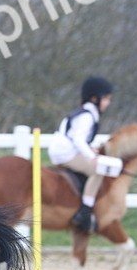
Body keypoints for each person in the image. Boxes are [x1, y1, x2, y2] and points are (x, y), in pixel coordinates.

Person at [48, 75, 115, 233]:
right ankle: (85, 211)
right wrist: (93, 157)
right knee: (98, 170)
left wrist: (90, 150)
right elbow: (78, 140)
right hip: (66, 153)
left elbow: (78, 139)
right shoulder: (87, 116)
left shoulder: (83, 112)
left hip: (63, 150)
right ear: (94, 98)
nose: (108, 103)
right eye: (105, 98)